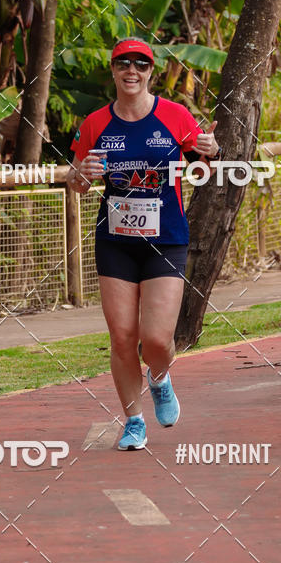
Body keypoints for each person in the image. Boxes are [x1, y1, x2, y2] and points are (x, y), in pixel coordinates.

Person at [67, 37, 219, 450]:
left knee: (154, 339)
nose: (131, 71)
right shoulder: (96, 123)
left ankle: (160, 376)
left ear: (150, 72)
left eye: (140, 65)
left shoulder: (175, 115)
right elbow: (77, 183)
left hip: (166, 239)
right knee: (121, 336)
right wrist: (82, 173)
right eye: (123, 64)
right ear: (113, 70)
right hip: (115, 241)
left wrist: (211, 149)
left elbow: (200, 170)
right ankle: (134, 421)